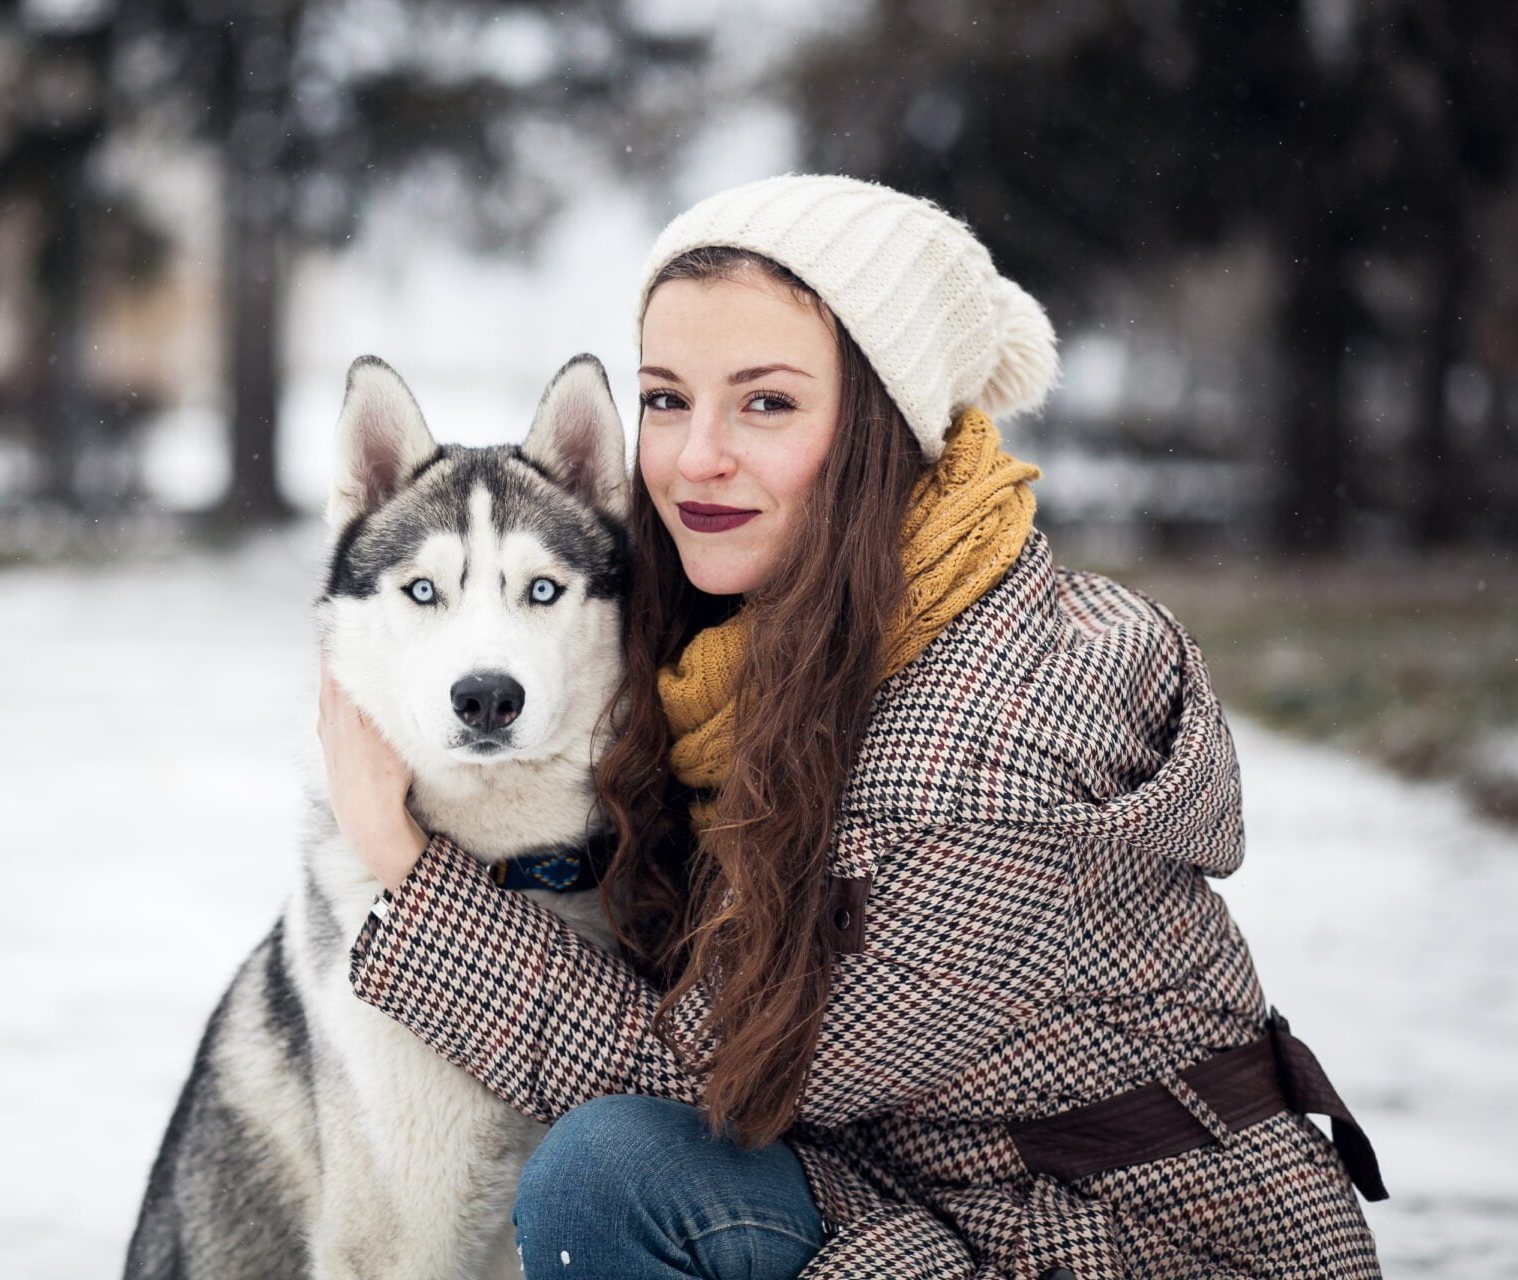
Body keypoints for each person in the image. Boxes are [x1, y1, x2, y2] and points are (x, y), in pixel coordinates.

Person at [316, 174, 1387, 1279]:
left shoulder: (983, 756)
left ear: (882, 421)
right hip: (942, 1194)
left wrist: (399, 857)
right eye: (670, 399)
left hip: (1134, 1249)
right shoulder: (758, 644)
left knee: (615, 1172)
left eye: (766, 402)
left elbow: (709, 1081)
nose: (696, 457)